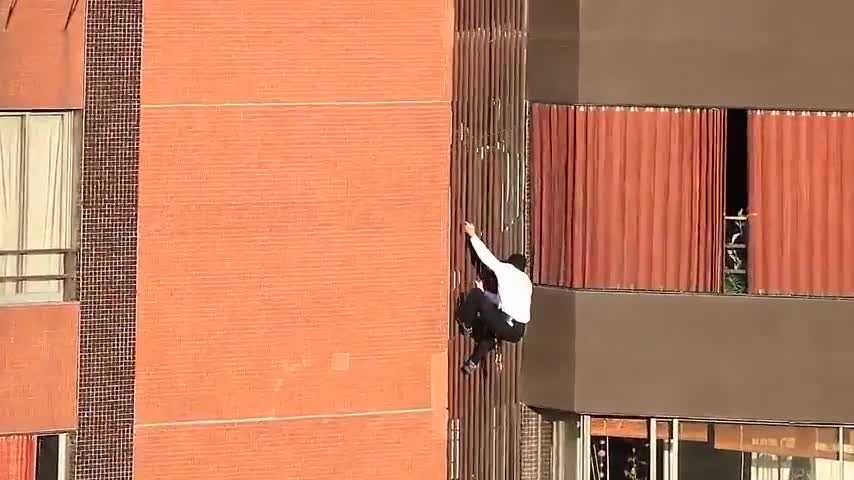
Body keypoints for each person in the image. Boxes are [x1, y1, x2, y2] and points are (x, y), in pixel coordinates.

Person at [457, 221, 532, 374]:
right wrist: (486, 292)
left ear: (511, 263)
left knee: (476, 296)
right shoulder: (527, 282)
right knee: (492, 328)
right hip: (518, 331)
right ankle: (473, 362)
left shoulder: (506, 269)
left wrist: (472, 235)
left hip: (507, 322)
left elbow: (487, 258)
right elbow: (502, 301)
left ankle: (466, 325)